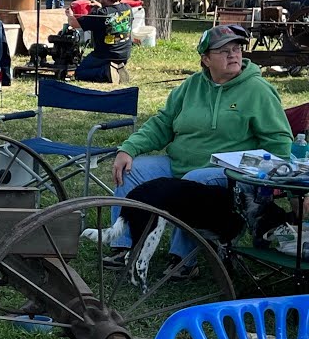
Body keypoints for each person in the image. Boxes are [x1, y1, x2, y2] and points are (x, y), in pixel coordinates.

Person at [109, 24, 293, 271]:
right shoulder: (191, 86)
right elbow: (162, 124)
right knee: (132, 172)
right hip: (178, 164)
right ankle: (125, 247)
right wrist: (128, 149)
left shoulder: (259, 91)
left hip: (228, 175)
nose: (233, 55)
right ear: (206, 59)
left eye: (237, 48)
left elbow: (279, 143)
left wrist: (269, 182)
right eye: (223, 50)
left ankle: (183, 260)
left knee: (194, 181)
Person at [65, 0, 132, 83]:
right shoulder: (128, 8)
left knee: (80, 72)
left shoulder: (100, 14)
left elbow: (74, 24)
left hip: (105, 54)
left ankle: (106, 72)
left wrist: (70, 15)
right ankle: (115, 67)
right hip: (124, 54)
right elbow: (113, 15)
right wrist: (100, 6)